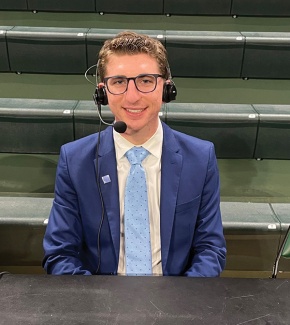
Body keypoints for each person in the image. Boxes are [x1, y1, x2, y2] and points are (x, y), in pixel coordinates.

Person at [43, 31, 226, 276]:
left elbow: (210, 249)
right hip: (98, 301)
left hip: (179, 300)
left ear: (166, 87)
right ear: (102, 92)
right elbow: (60, 253)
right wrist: (95, 305)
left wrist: (183, 304)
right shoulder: (74, 160)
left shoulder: (201, 157)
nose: (132, 96)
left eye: (146, 80)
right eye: (118, 82)